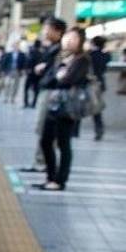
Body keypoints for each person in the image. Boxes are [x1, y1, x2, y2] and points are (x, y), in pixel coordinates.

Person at [35, 27, 92, 191]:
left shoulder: (82, 59)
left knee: (63, 144)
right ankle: (50, 177)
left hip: (68, 108)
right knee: (45, 141)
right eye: (68, 37)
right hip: (54, 105)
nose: (69, 40)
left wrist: (60, 76)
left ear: (80, 41)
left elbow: (69, 80)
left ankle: (60, 181)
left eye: (74, 38)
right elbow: (47, 81)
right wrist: (58, 75)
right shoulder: (61, 57)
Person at [20, 17, 67, 174]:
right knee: (42, 128)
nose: (44, 32)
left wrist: (44, 68)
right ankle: (41, 161)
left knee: (45, 129)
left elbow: (58, 72)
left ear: (57, 31)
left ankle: (42, 162)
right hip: (46, 90)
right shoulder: (53, 48)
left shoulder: (59, 49)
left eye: (46, 28)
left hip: (51, 92)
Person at [89, 35, 110, 141]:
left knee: (78, 105)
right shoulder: (106, 55)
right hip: (100, 83)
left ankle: (74, 130)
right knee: (96, 109)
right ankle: (99, 129)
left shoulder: (90, 54)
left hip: (89, 83)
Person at [24, 39, 44, 108]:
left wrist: (27, 69)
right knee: (36, 90)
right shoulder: (41, 53)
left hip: (30, 73)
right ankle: (33, 104)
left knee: (26, 88)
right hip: (37, 74)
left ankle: (26, 103)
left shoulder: (31, 52)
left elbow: (28, 61)